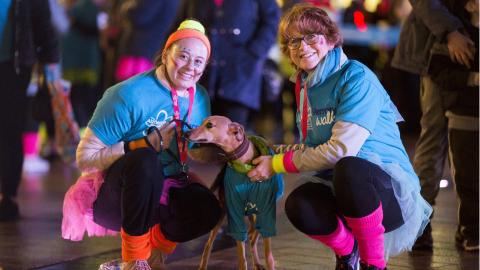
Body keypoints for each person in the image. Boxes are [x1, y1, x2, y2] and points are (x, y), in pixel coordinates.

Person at [247, 4, 432, 270]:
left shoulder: (356, 77)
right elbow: (313, 147)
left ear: (331, 39)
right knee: (299, 204)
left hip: (387, 195)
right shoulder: (306, 84)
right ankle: (348, 253)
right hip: (341, 186)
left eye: (312, 37)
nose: (302, 46)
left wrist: (276, 165)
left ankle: (374, 264)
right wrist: (272, 151)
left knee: (349, 167)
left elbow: (340, 151)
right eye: (294, 41)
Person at [62, 19, 222, 270]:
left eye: (199, 62)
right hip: (118, 196)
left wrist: (230, 147)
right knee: (145, 159)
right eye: (183, 56)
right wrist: (141, 144)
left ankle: (147, 253)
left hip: (167, 192)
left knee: (209, 209)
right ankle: (132, 261)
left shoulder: (199, 96)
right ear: (166, 54)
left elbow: (194, 153)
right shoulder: (127, 95)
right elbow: (85, 159)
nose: (190, 67)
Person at [391, 0, 475, 250]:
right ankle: (419, 224)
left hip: (462, 41)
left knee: (458, 141)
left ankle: (470, 226)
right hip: (439, 51)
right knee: (434, 140)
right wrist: (450, 31)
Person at [0, 0, 61, 221]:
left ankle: (7, 196)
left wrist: (51, 62)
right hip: (14, 64)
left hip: (14, 67)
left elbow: (42, 23)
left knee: (10, 128)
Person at [426, 0, 479, 251]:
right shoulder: (456, 36)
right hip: (464, 118)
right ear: (470, 6)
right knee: (468, 179)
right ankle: (470, 231)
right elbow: (438, 71)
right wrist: (471, 78)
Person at [184, 0, 280, 127]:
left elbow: (272, 17)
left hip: (241, 73)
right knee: (201, 135)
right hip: (204, 74)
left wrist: (255, 51)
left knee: (232, 136)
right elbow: (182, 22)